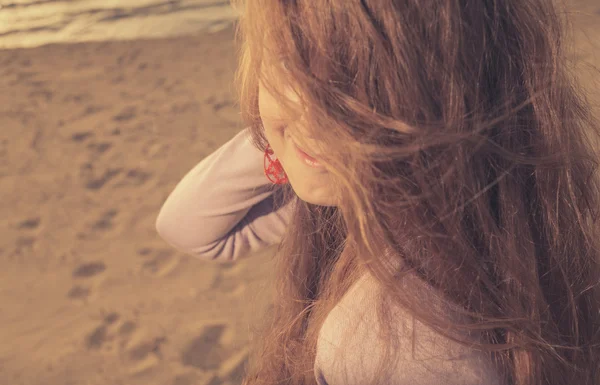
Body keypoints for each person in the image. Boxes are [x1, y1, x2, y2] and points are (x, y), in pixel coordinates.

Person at [156, 0, 600, 384]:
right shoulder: (477, 209)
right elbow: (189, 227)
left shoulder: (386, 346)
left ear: (445, 93)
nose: (316, 115)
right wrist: (288, 136)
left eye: (359, 77)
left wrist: (295, 126)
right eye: (291, 61)